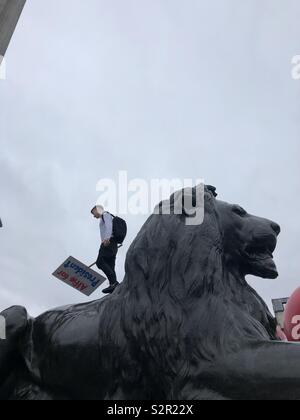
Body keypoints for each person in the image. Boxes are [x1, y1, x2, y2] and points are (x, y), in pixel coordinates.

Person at [91, 205, 120, 294]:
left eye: (93, 213)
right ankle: (113, 286)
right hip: (113, 244)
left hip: (108, 242)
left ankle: (113, 283)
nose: (94, 216)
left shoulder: (105, 215)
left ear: (97, 210)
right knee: (110, 265)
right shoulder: (106, 216)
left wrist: (107, 238)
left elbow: (109, 226)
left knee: (100, 262)